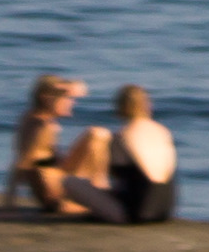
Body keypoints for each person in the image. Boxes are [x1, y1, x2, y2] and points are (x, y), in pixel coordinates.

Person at [61, 84, 180, 224]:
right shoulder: (163, 132)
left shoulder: (122, 136)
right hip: (164, 210)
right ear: (147, 105)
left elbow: (108, 175)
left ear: (121, 107)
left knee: (69, 182)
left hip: (135, 214)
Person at [0, 73, 92, 214]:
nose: (72, 102)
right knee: (96, 137)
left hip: (55, 191)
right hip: (58, 200)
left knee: (93, 136)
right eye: (65, 97)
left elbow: (40, 163)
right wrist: (8, 207)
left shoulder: (29, 118)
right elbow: (21, 165)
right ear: (46, 98)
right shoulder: (44, 127)